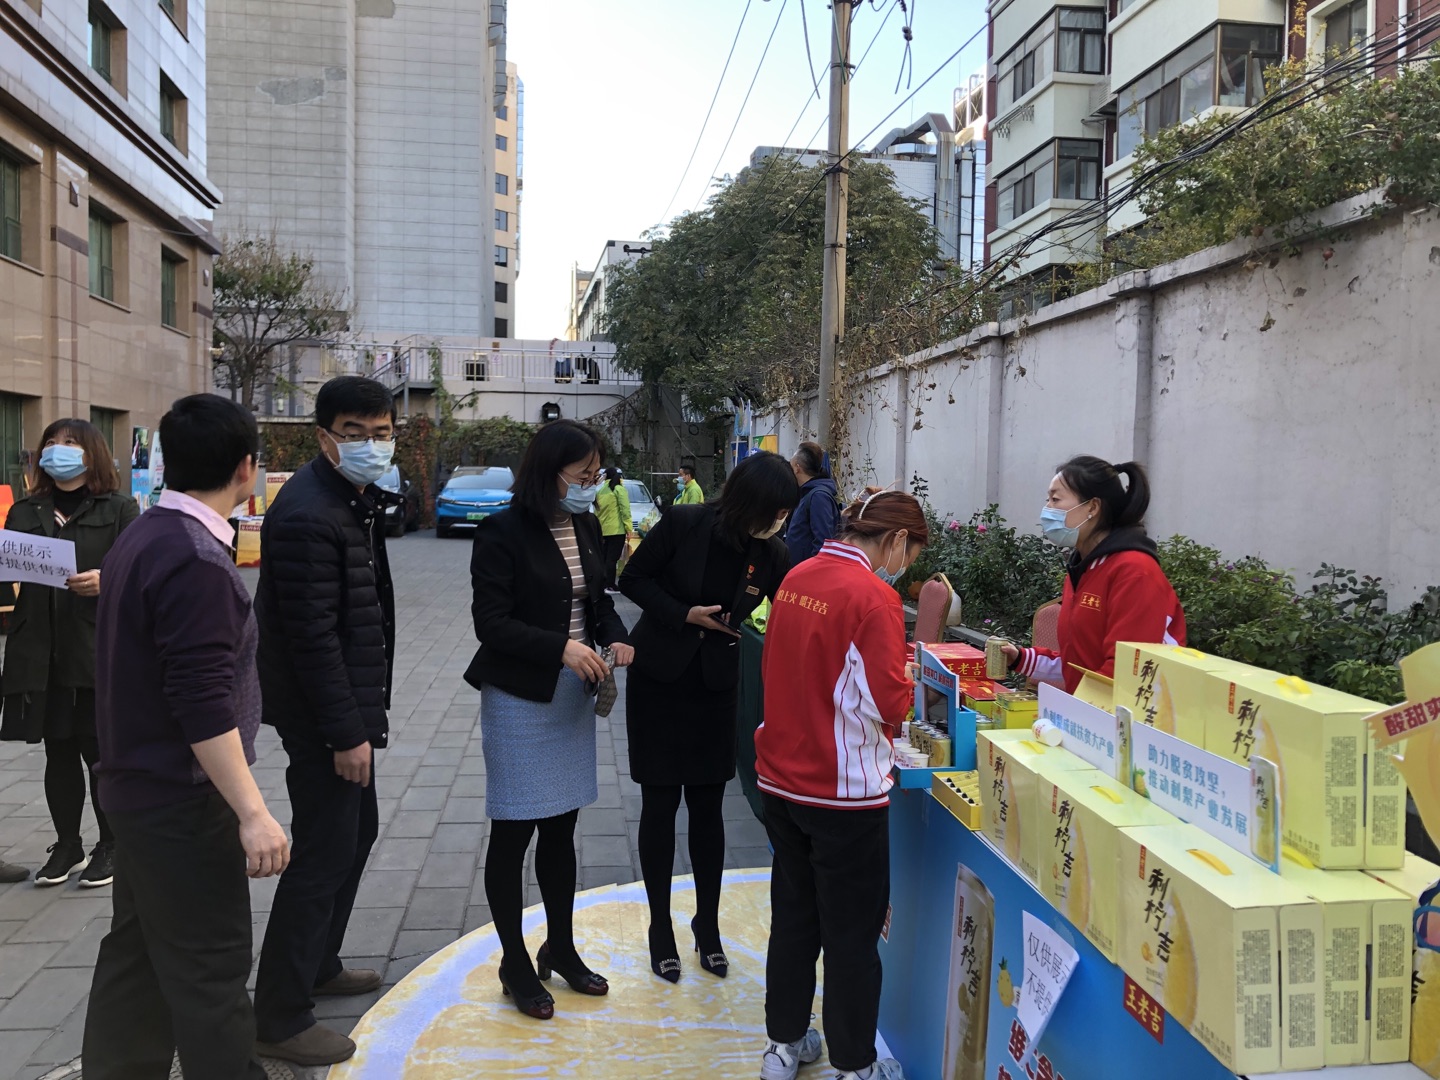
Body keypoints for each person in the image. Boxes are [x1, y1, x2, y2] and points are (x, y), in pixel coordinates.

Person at [82, 394, 289, 1080]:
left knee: (139, 956)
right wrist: (253, 813)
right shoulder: (197, 559)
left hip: (135, 788)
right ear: (247, 469)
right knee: (209, 968)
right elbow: (202, 705)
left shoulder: (147, 533)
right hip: (182, 799)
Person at [753, 491, 929, 1080]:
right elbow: (890, 704)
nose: (905, 566)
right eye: (911, 553)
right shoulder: (874, 597)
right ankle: (854, 1065)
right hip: (843, 794)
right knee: (852, 936)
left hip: (780, 780)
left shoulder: (797, 576)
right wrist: (909, 683)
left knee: (795, 918)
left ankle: (783, 1045)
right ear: (896, 539)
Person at [466, 419, 635, 1021]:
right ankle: (514, 962)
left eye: (596, 474)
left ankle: (559, 946)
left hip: (570, 696)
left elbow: (598, 602)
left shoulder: (584, 524)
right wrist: (560, 647)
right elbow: (492, 623)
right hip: (519, 696)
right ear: (549, 471)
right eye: (583, 474)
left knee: (562, 830)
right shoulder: (502, 531)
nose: (592, 484)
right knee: (514, 832)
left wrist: (618, 636)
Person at [252, 376, 397, 1066]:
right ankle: (280, 1015)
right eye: (355, 433)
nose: (371, 444)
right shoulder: (312, 513)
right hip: (322, 716)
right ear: (324, 437)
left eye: (382, 433)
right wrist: (345, 732)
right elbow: (310, 637)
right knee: (323, 851)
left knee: (355, 833)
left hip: (343, 707)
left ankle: (318, 964)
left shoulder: (350, 499)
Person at [619, 451, 797, 983]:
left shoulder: (772, 553)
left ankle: (707, 925)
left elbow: (793, 610)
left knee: (707, 809)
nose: (780, 521)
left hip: (715, 689)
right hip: (659, 680)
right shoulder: (685, 522)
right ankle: (659, 927)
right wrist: (683, 613)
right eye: (775, 511)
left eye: (785, 514)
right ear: (748, 501)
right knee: (658, 806)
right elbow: (632, 579)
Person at [0, 418, 138, 888]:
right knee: (57, 749)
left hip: (95, 648)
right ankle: (67, 844)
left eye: (70, 442)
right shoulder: (25, 511)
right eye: (52, 443)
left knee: (97, 751)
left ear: (91, 452)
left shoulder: (119, 508)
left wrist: (107, 579)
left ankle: (111, 844)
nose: (58, 450)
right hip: (40, 651)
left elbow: (140, 572)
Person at [1002, 456, 1186, 691]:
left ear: (1092, 507)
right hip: (1093, 708)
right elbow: (1078, 663)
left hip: (1132, 711)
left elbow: (1125, 671)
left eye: (1055, 499)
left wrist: (1073, 709)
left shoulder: (1135, 571)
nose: (1047, 509)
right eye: (1047, 500)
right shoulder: (1083, 568)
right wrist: (1020, 658)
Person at [785, 441, 841, 565]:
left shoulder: (818, 497)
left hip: (807, 572)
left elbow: (823, 543)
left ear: (797, 468)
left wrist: (811, 572)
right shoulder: (806, 494)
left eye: (790, 465)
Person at [593, 466, 633, 593]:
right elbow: (625, 510)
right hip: (616, 530)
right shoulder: (619, 489)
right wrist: (628, 528)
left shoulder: (600, 491)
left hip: (603, 530)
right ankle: (610, 584)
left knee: (604, 558)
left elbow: (596, 511)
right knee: (612, 559)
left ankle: (603, 583)